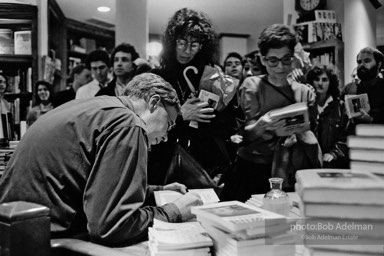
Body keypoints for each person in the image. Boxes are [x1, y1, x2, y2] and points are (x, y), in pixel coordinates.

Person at [0, 73, 202, 247]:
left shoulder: (99, 108)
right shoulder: (129, 124)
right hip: (46, 241)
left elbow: (94, 183)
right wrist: (174, 211)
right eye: (169, 123)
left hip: (15, 231)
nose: (165, 137)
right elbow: (110, 226)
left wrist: (157, 191)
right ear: (154, 102)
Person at [221, 24, 320, 202]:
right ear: (263, 59)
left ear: (293, 58)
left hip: (289, 169)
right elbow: (246, 136)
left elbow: (311, 133)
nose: (280, 67)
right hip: (252, 169)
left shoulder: (305, 92)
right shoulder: (252, 85)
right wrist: (262, 124)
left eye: (286, 59)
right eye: (273, 60)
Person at [149, 8, 238, 187]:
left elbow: (228, 126)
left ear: (202, 46)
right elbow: (147, 124)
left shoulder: (213, 77)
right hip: (164, 165)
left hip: (206, 167)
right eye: (182, 42)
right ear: (172, 43)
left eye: (194, 44)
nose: (187, 50)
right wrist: (181, 114)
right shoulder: (157, 77)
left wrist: (211, 117)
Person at [306, 65, 349, 168]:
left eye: (324, 80)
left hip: (333, 164)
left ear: (331, 83)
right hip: (308, 162)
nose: (320, 83)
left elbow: (346, 135)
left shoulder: (341, 106)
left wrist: (334, 153)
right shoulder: (305, 105)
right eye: (317, 79)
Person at [342, 46, 384, 125]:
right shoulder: (349, 89)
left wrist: (371, 120)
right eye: (359, 62)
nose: (361, 65)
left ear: (379, 64)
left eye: (367, 61)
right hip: (353, 136)